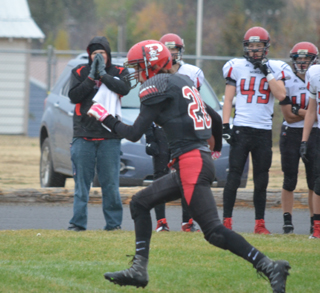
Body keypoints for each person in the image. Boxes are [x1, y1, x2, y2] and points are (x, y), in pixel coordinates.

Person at [87, 39, 290, 292]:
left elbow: (133, 133)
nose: (136, 73)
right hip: (193, 161)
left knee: (214, 232)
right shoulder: (182, 81)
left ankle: (270, 266)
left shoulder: (156, 84)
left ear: (152, 64)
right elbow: (214, 117)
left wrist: (105, 117)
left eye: (139, 66)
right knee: (140, 203)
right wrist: (213, 151)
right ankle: (139, 269)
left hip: (191, 162)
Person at [146, 33, 218, 232]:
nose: (171, 53)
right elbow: (149, 109)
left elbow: (197, 105)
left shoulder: (192, 72)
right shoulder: (153, 73)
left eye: (174, 49)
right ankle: (161, 222)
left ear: (181, 50)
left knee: (187, 176)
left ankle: (188, 221)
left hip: (184, 132)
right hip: (161, 131)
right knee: (160, 176)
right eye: (167, 49)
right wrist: (149, 135)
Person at [222, 26, 289, 234]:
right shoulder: (236, 66)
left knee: (262, 179)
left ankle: (259, 224)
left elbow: (281, 96)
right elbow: (228, 98)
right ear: (245, 47)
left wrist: (266, 71)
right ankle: (226, 222)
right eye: (250, 46)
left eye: (258, 46)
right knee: (233, 176)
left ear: (265, 48)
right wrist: (226, 125)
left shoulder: (275, 68)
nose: (254, 50)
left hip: (263, 131)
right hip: (242, 128)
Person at [67, 36, 130, 231]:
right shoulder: (79, 71)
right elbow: (73, 96)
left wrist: (104, 76)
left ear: (108, 54)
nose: (98, 56)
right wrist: (91, 78)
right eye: (94, 53)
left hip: (110, 136)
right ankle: (78, 224)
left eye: (101, 53)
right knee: (81, 184)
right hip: (83, 134)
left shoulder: (119, 71)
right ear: (89, 55)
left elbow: (125, 89)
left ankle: (113, 224)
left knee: (110, 183)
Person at [279, 42, 319, 234]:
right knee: (289, 179)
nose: (302, 63)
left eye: (306, 59)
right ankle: (287, 222)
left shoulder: (316, 78)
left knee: (313, 180)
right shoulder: (286, 79)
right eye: (299, 59)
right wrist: (309, 112)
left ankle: (314, 221)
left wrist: (299, 110)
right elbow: (288, 115)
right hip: (291, 133)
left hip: (314, 133)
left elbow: (314, 114)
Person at [301, 58, 320, 239]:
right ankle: (317, 229)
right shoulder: (315, 75)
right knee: (318, 184)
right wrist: (304, 141)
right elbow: (311, 111)